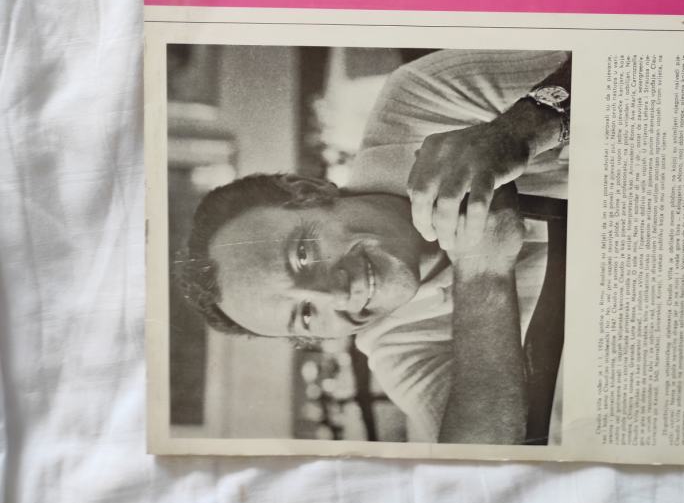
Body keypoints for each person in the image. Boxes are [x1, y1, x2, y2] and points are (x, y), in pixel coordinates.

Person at [179, 49, 572, 444]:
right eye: (307, 315)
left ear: (311, 190)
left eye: (302, 257)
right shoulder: (394, 343)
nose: (334, 295)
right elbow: (477, 462)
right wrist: (483, 275)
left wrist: (522, 129)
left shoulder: (422, 98)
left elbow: (606, 62)